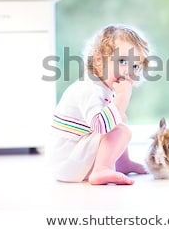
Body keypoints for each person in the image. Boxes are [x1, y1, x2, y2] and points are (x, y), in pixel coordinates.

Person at [45, 24, 149, 185]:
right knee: (120, 129)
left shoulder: (103, 87)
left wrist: (119, 104)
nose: (128, 70)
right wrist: (122, 97)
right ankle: (101, 169)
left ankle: (122, 163)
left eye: (135, 65)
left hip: (74, 158)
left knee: (119, 118)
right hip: (67, 162)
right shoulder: (89, 90)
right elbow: (100, 126)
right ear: (99, 60)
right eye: (122, 61)